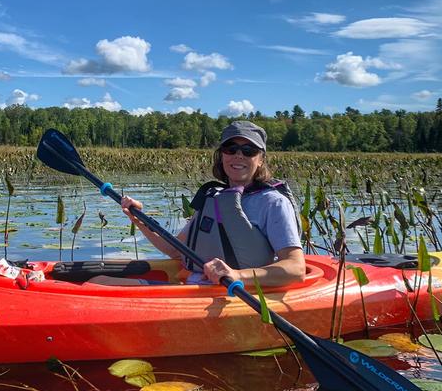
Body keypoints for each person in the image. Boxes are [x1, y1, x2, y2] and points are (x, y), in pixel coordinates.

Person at [121, 120, 305, 287]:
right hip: (191, 288)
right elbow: (176, 251)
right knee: (98, 280)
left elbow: (296, 268)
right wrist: (138, 218)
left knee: (102, 283)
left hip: (232, 296)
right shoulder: (214, 198)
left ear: (261, 159)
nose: (238, 155)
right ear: (221, 155)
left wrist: (237, 275)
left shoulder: (274, 203)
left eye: (249, 150)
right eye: (230, 149)